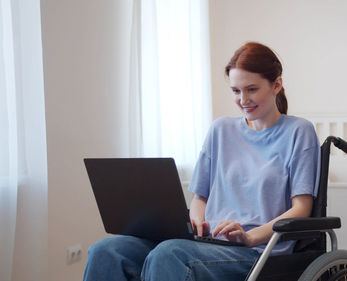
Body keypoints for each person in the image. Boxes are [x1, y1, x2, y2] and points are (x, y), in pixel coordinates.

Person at [83, 42, 320, 281]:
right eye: (236, 91)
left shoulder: (299, 132)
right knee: (107, 251)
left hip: (257, 250)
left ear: (276, 85)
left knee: (169, 254)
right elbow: (200, 198)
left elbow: (301, 208)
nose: (243, 99)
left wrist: (249, 237)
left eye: (251, 89)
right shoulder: (221, 129)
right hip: (205, 243)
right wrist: (196, 220)